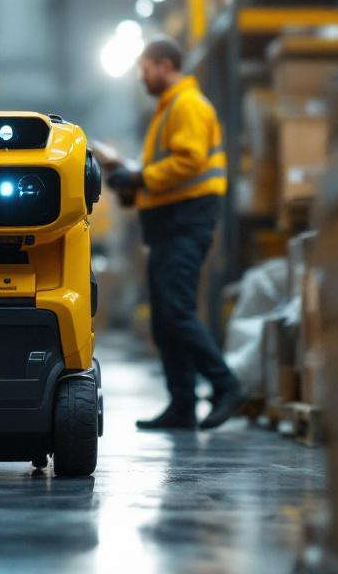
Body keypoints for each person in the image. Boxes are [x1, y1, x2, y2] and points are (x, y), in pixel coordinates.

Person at [105, 37, 247, 431]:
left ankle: (227, 385)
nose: (142, 77)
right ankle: (182, 403)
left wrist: (139, 176)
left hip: (187, 220)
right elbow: (170, 169)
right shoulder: (169, 110)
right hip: (170, 221)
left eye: (146, 69)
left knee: (177, 312)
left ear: (166, 65)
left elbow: (189, 161)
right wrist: (132, 182)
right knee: (165, 318)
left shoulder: (187, 106)